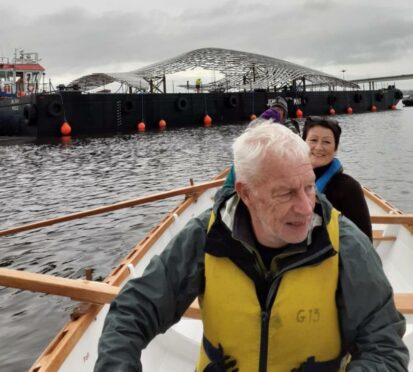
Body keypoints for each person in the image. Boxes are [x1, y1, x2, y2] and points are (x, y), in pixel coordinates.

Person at [95, 122, 408, 371]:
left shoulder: (348, 245)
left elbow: (385, 349)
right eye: (285, 194)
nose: (304, 207)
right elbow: (132, 311)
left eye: (309, 187)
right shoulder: (205, 236)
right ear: (245, 193)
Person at [302, 116, 373, 241]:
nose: (319, 147)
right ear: (302, 143)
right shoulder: (290, 181)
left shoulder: (349, 188)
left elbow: (364, 243)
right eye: (313, 140)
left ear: (335, 148)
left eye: (326, 142)